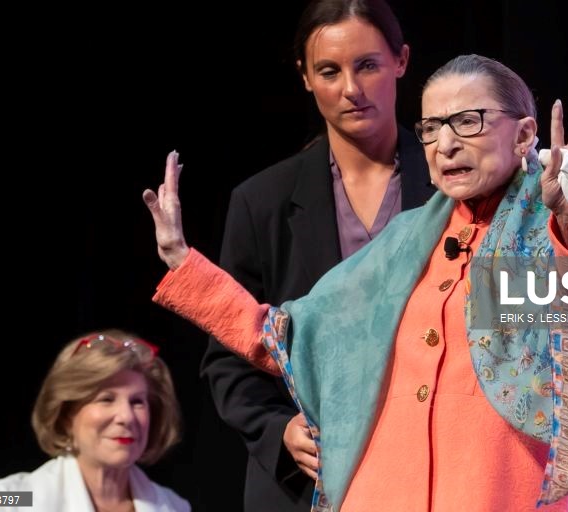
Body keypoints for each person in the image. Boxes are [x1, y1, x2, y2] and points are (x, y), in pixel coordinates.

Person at [143, 54, 568, 511]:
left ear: (524, 135)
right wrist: (184, 263)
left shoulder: (551, 231)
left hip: (493, 491)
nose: (445, 145)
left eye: (468, 122)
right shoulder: (404, 243)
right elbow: (288, 338)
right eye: (432, 128)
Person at [199, 0, 432, 510]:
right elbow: (227, 357)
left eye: (367, 64)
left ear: (402, 61)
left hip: (434, 467)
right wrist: (279, 430)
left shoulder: (453, 184)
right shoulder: (262, 202)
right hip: (312, 481)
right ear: (306, 77)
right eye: (329, 70)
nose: (351, 88)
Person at [0, 329, 190, 512]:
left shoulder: (175, 506)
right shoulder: (6, 498)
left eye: (137, 402)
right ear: (67, 415)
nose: (126, 417)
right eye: (106, 399)